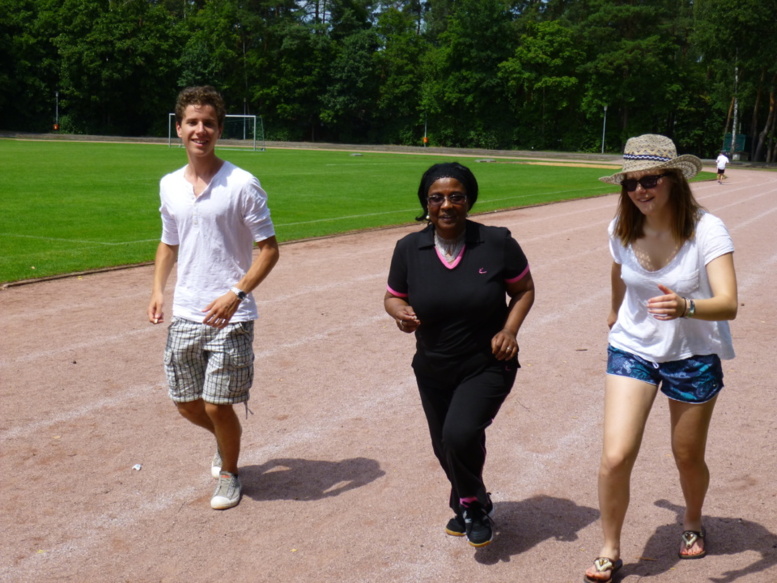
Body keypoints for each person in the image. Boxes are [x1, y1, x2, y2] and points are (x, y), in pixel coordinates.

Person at [583, 135, 738, 583]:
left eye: (649, 180)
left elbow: (728, 303)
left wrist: (685, 306)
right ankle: (610, 549)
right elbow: (619, 268)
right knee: (616, 455)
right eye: (630, 183)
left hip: (693, 353)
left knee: (686, 455)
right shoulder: (621, 226)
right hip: (634, 347)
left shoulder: (707, 229)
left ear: (673, 179)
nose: (639, 190)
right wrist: (615, 310)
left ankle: (692, 519)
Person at [384, 162, 535, 547]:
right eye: (437, 198)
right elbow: (393, 296)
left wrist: (509, 330)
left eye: (456, 197)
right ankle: (473, 498)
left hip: (487, 363)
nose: (446, 205)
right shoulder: (408, 248)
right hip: (432, 367)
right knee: (446, 444)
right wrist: (400, 312)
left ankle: (470, 506)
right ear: (426, 203)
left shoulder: (496, 242)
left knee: (460, 433)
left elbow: (524, 290)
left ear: (469, 200)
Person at [147, 86, 280, 510]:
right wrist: (157, 289)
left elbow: (269, 250)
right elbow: (169, 242)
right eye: (192, 122)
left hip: (230, 316)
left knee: (218, 405)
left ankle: (230, 473)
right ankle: (226, 443)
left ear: (219, 129)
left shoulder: (242, 184)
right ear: (179, 128)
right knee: (186, 404)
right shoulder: (169, 185)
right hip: (187, 310)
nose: (199, 130)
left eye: (208, 123)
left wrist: (236, 293)